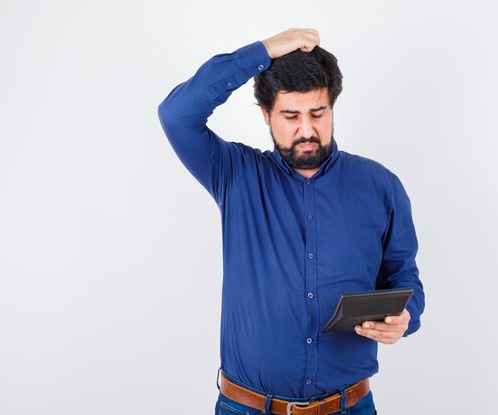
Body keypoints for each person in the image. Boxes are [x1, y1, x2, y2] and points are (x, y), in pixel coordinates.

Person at [157, 28, 425, 415]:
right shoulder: (235, 174)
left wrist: (406, 315)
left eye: (318, 114)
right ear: (266, 115)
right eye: (290, 116)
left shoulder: (381, 185)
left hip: (349, 406)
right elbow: (176, 114)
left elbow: (405, 277)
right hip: (247, 407)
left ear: (333, 107)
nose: (306, 130)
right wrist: (261, 52)